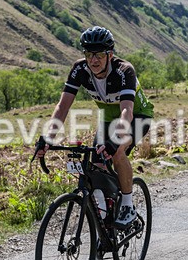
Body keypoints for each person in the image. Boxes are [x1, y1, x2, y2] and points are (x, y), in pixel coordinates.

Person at [34, 26, 154, 229]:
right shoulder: (79, 70)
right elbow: (63, 106)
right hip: (108, 119)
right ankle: (104, 217)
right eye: (89, 54)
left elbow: (127, 112)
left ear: (110, 54)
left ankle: (127, 205)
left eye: (99, 54)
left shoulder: (124, 71)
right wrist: (47, 137)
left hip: (137, 116)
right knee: (96, 165)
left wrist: (115, 141)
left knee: (117, 152)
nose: (93, 60)